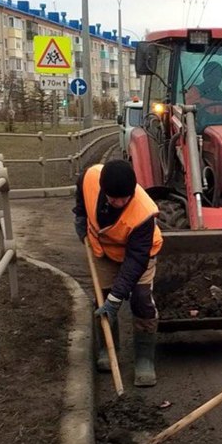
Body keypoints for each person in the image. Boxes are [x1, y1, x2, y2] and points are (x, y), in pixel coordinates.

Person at [73, 159, 163, 386]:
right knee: (102, 297)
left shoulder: (144, 212)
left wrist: (117, 298)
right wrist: (81, 215)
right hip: (103, 249)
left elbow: (135, 262)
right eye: (114, 198)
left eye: (124, 198)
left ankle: (144, 359)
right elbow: (82, 187)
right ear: (104, 191)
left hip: (138, 255)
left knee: (141, 299)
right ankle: (107, 347)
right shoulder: (92, 177)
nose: (119, 202)